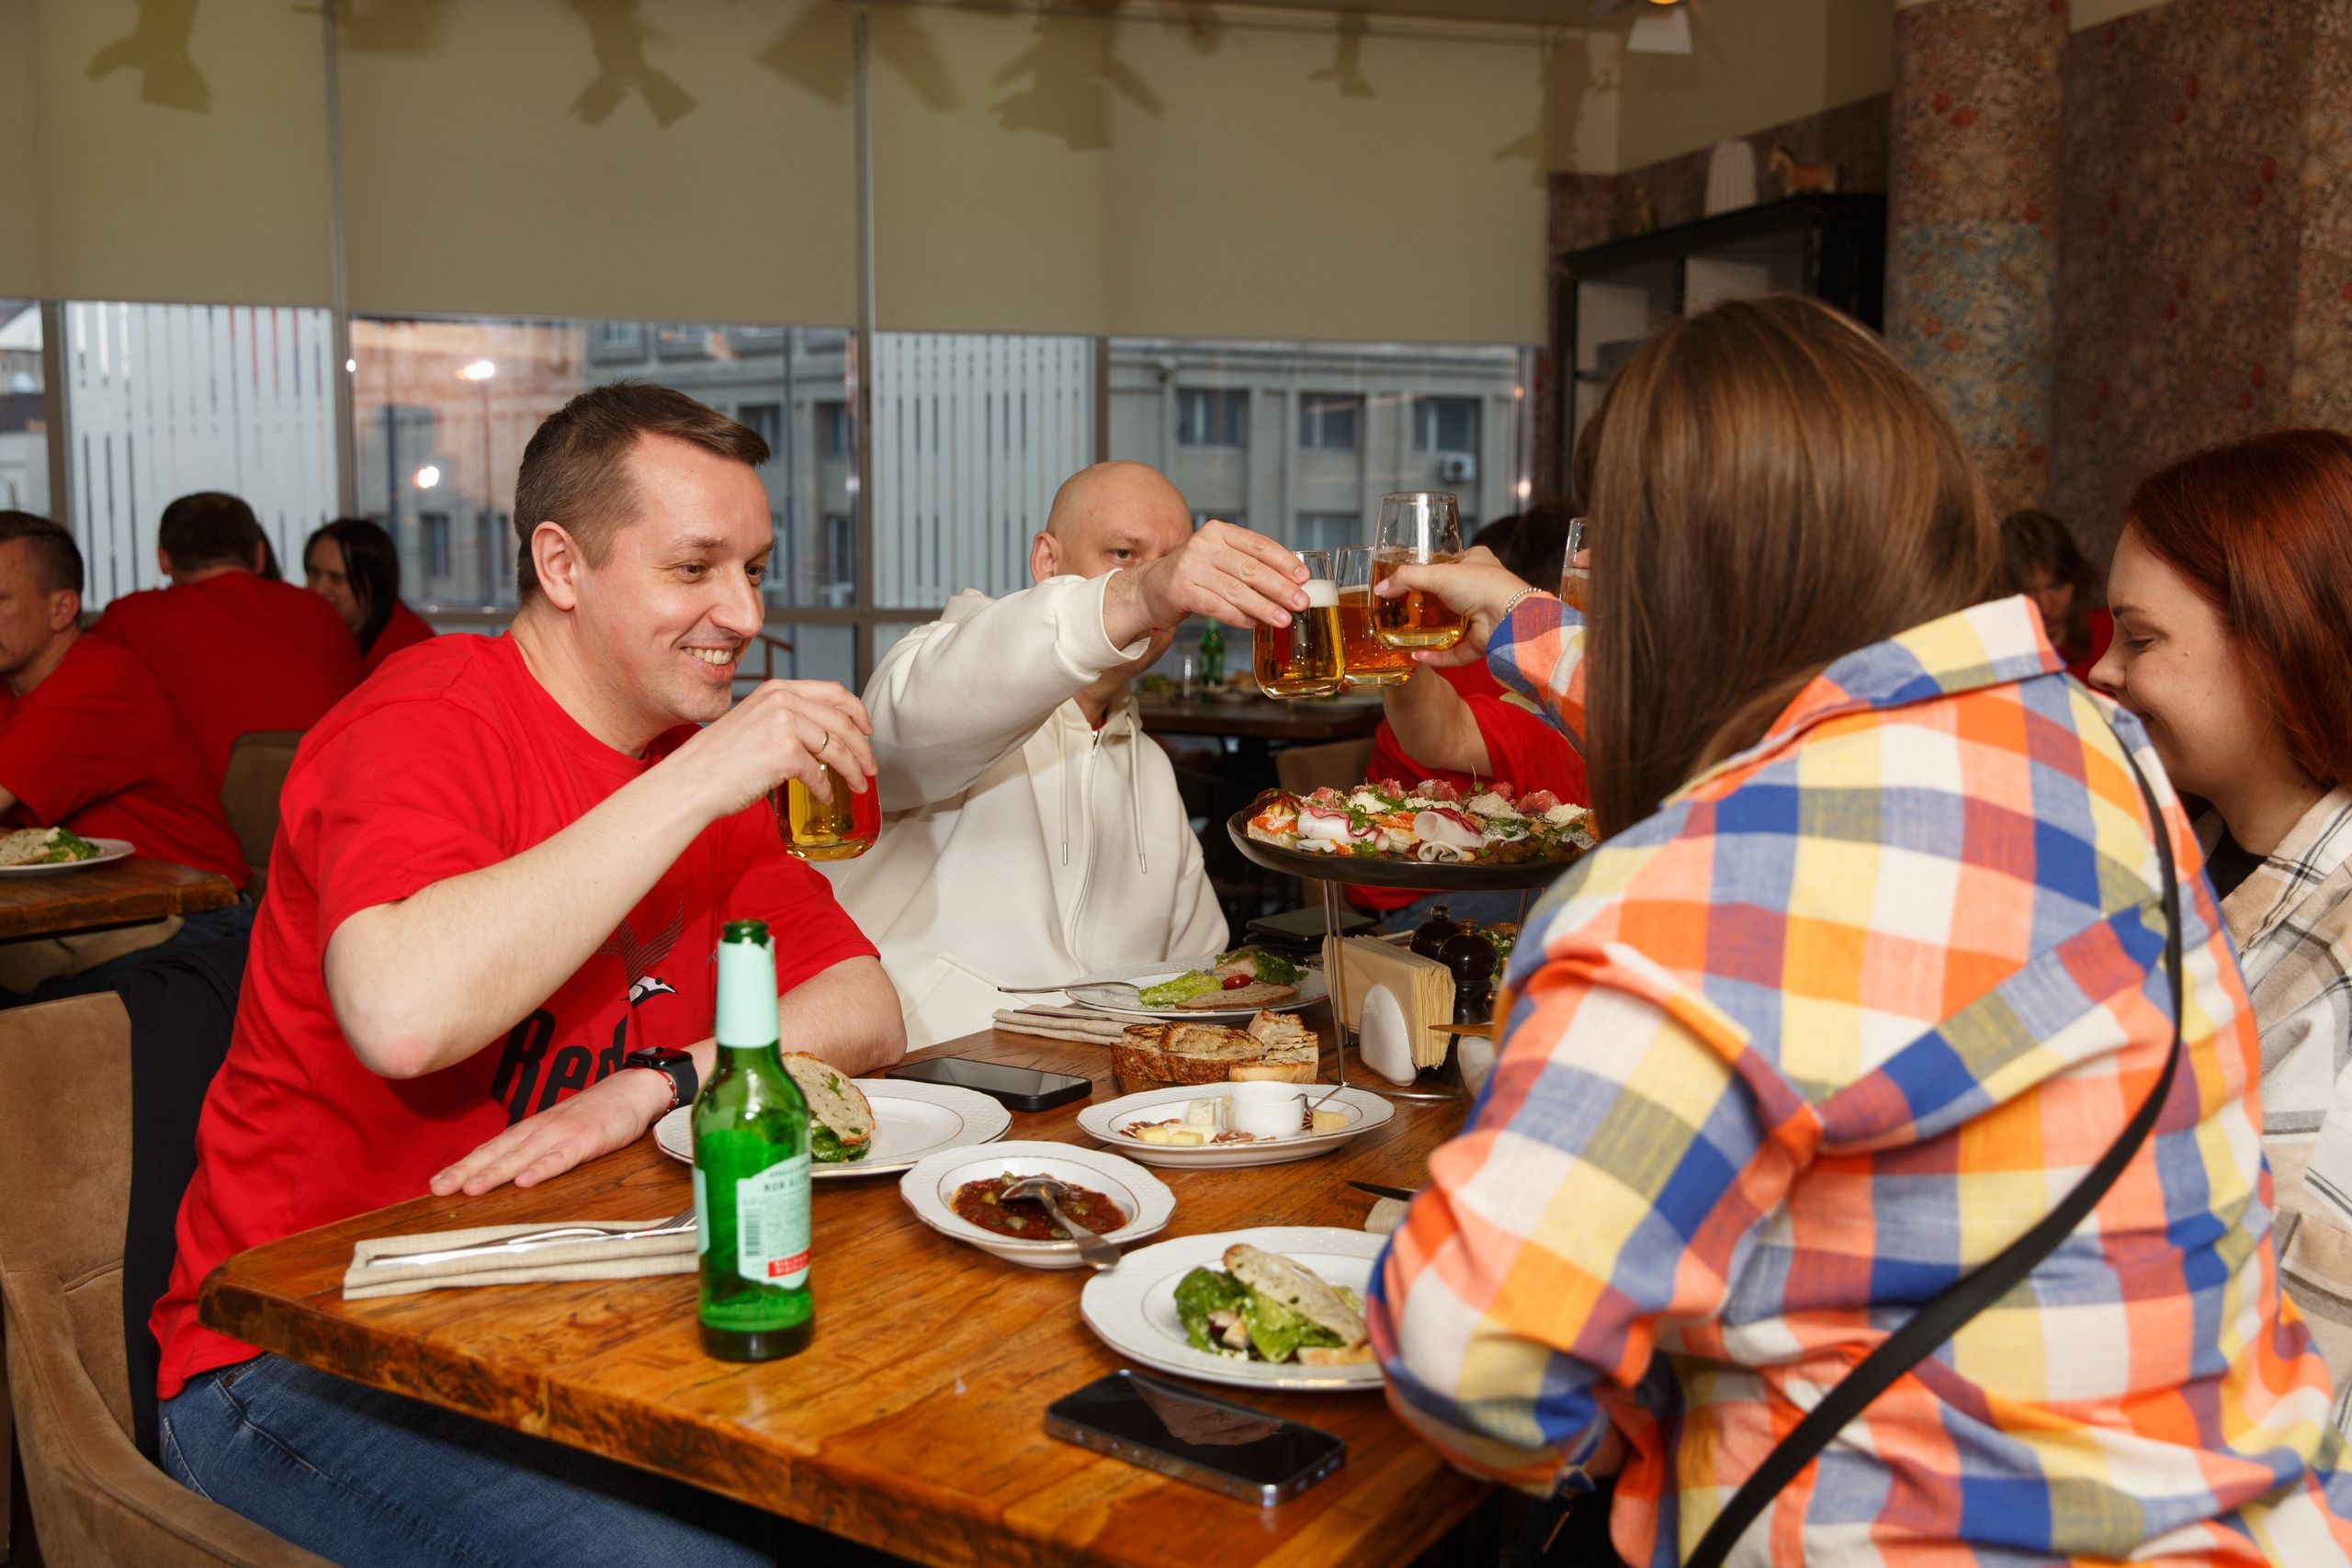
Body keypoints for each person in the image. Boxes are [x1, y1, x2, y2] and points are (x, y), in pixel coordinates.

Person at [1367, 298, 2352, 1564]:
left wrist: (1611, 1428)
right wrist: (1516, 619)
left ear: (1677, 576)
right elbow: (1775, 704)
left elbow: (1471, 1355)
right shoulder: (2093, 749)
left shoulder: (1706, 885)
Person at [151, 385, 905, 1567]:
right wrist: (703, 780)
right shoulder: (425, 718)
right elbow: (402, 1017)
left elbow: (864, 1004)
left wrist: (655, 1082)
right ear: (561, 562)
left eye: (754, 569)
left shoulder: (680, 762)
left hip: (559, 1330)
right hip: (300, 1353)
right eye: (696, 568)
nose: (744, 612)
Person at [818, 460, 1310, 1047]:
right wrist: (1144, 592)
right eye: (1124, 554)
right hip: (927, 1078)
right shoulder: (942, 670)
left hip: (1089, 1094)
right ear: (1047, 562)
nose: (1162, 582)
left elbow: (1194, 971)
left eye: (1173, 562)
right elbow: (904, 738)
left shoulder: (1149, 767)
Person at [2087, 428, 2352, 1433]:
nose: (2103, 673)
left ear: (2281, 635)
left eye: (2139, 639)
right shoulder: (2177, 845)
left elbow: (2304, 1344)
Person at [0, 512, 250, 1001]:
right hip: (85, 918)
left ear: (61, 610)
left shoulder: (101, 679)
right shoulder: (12, 683)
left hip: (195, 922)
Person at [1353, 501, 1591, 931]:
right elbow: (1448, 732)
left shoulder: (1591, 682)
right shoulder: (1503, 666)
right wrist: (1400, 640)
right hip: (1421, 899)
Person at [90, 491, 360, 790]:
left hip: (206, 823)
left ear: (164, 559)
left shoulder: (130, 619)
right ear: (259, 556)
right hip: (323, 811)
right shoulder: (319, 612)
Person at [305, 515, 436, 677]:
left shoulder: (404, 650)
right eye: (314, 573)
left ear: (373, 582)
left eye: (337, 578)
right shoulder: (329, 631)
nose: (319, 588)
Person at [2001, 506, 2110, 681]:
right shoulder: (1990, 655)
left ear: (2076, 581)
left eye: (2056, 586)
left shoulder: (2109, 633)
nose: (2045, 607)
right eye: (2028, 592)